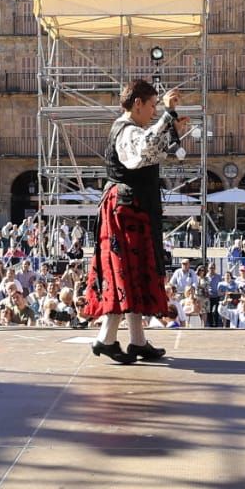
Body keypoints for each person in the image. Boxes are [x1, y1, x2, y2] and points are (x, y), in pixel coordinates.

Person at [83, 80, 188, 364]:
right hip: (126, 211)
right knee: (125, 273)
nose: (154, 111)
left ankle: (137, 341)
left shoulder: (134, 130)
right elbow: (141, 154)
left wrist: (172, 130)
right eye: (152, 105)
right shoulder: (127, 130)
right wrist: (168, 117)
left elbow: (150, 155)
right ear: (138, 103)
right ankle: (105, 339)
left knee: (132, 272)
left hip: (133, 209)